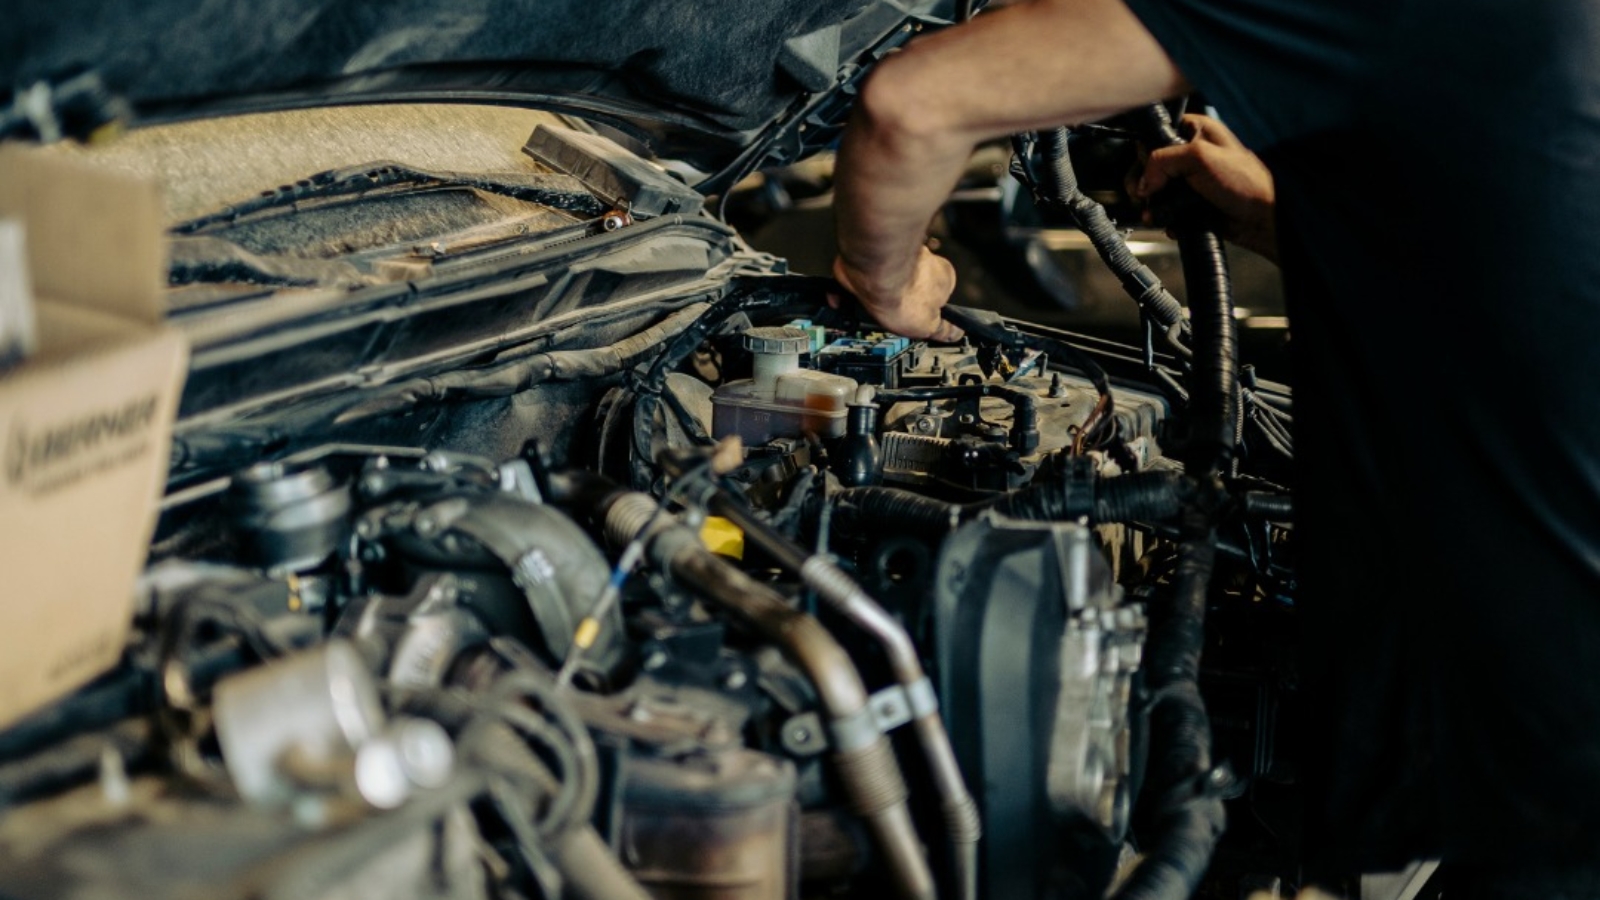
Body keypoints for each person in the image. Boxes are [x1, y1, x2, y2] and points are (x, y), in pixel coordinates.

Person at [831, 0, 1600, 895]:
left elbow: (915, 105)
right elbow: (1524, 233)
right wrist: (1282, 216)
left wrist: (883, 281)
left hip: (1543, 706)